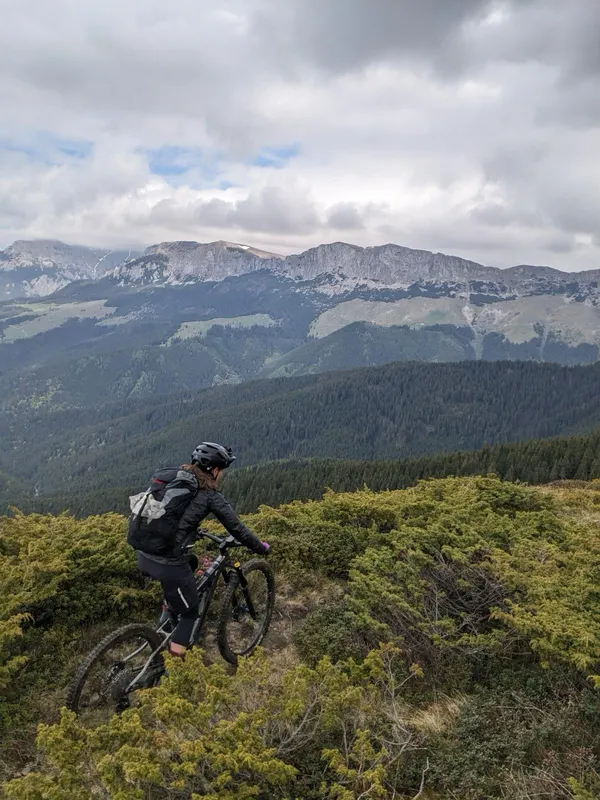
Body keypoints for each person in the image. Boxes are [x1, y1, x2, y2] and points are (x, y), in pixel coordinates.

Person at [137, 442, 269, 657]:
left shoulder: (176, 480)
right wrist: (260, 548)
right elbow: (238, 529)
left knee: (191, 562)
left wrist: (191, 530)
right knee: (190, 614)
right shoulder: (210, 496)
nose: (221, 474)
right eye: (222, 470)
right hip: (167, 562)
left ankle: (167, 616)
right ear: (215, 470)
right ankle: (172, 668)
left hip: (144, 554)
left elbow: (169, 516)